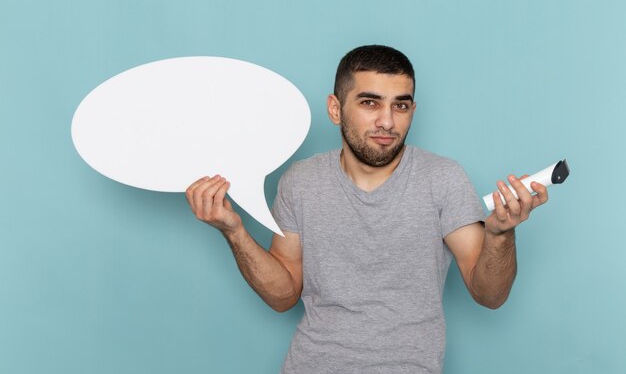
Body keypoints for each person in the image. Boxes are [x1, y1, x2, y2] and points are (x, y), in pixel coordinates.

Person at [185, 45, 548, 374]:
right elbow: (284, 295)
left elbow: (489, 294)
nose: (387, 122)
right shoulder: (301, 181)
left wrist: (500, 234)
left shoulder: (443, 178)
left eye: (400, 105)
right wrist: (234, 232)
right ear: (335, 108)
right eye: (370, 103)